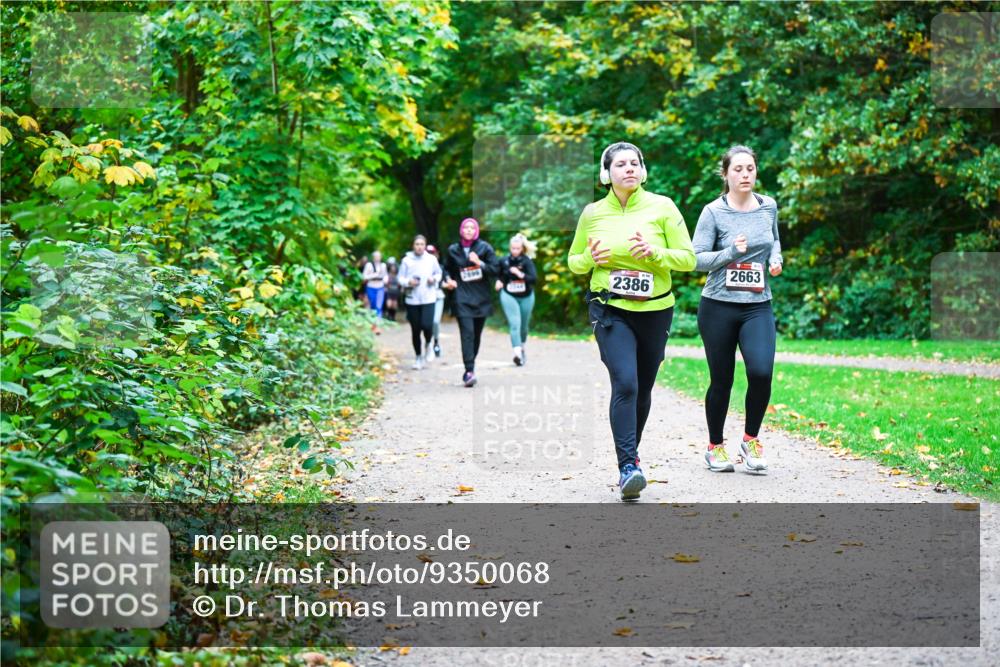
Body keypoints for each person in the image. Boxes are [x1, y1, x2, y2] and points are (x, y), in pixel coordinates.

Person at [568, 141, 696, 501]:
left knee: (643, 387)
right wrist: (590, 258)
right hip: (609, 309)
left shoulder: (663, 207)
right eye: (620, 164)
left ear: (643, 170)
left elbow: (688, 258)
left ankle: (631, 455)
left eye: (634, 163)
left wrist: (655, 253)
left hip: (656, 309)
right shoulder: (592, 213)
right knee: (625, 382)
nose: (629, 168)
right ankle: (628, 467)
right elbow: (574, 261)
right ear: (606, 174)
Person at [692, 145, 782, 474]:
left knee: (761, 372)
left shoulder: (768, 206)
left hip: (757, 305)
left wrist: (775, 260)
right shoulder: (713, 212)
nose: (745, 175)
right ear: (726, 174)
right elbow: (697, 259)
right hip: (717, 306)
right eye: (738, 170)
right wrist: (731, 251)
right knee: (722, 380)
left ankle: (751, 439)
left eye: (750, 169)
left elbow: (774, 241)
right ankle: (715, 445)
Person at [442, 217, 499, 387]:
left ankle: (470, 364)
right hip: (462, 297)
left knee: (476, 336)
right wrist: (448, 279)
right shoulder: (453, 250)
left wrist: (479, 263)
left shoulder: (485, 248)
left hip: (481, 298)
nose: (468, 230)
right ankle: (469, 371)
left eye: (471, 228)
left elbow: (495, 269)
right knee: (467, 334)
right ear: (461, 230)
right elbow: (446, 269)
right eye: (465, 227)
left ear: (476, 231)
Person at [398, 235, 442, 370]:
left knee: (427, 325)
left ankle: (428, 344)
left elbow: (439, 273)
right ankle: (418, 357)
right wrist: (408, 282)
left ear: (425, 245)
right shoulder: (406, 260)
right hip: (412, 299)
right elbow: (400, 278)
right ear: (413, 246)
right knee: (415, 330)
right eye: (417, 244)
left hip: (428, 298)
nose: (419, 246)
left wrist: (433, 279)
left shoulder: (431, 259)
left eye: (422, 244)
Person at [495, 233, 538, 366]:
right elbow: (500, 275)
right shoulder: (504, 261)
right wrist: (499, 281)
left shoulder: (527, 261)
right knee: (515, 324)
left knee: (523, 327)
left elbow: (534, 279)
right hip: (509, 295)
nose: (515, 251)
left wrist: (520, 274)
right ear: (510, 248)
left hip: (526, 297)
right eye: (513, 248)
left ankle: (522, 348)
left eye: (517, 248)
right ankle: (517, 354)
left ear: (522, 248)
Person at [427, 244, 445, 358]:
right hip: (424, 298)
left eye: (432, 253)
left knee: (435, 321)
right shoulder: (420, 267)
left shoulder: (441, 268)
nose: (431, 255)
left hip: (438, 296)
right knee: (425, 323)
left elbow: (444, 281)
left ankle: (436, 343)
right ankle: (427, 344)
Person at [362, 251, 388, 332]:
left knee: (379, 306)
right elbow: (364, 276)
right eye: (376, 256)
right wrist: (374, 275)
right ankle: (373, 324)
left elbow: (385, 275)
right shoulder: (369, 265)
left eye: (379, 256)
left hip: (380, 287)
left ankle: (378, 326)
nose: (377, 258)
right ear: (373, 257)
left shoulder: (383, 265)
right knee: (373, 306)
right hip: (371, 287)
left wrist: (385, 279)